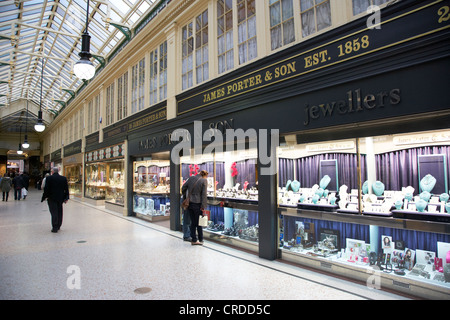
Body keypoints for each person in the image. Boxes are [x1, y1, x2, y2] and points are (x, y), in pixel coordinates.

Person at [181, 170, 208, 245]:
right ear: (205, 175)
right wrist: (203, 206)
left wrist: (186, 197)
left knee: (193, 222)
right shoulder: (204, 180)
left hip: (190, 203)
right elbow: (204, 195)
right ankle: (200, 239)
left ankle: (194, 239)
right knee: (199, 222)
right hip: (198, 203)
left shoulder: (191, 178)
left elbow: (183, 188)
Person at [42, 167, 69, 233]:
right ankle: (59, 225)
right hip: (60, 198)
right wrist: (66, 198)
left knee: (54, 212)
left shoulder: (49, 178)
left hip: (52, 198)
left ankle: (55, 227)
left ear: (52, 171)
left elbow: (46, 189)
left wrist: (45, 196)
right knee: (59, 211)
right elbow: (66, 189)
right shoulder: (63, 178)